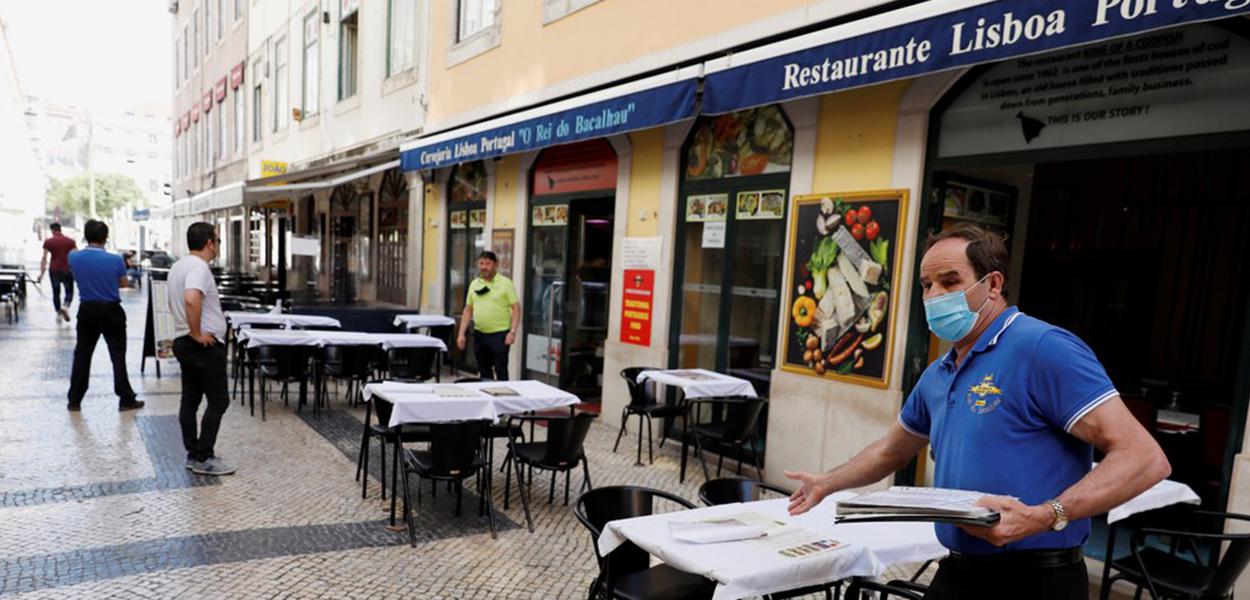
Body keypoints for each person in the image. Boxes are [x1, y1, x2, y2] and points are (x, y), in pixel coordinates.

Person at [784, 224, 1170, 600]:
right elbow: (891, 451)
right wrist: (826, 483)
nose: (934, 295)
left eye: (950, 282)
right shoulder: (939, 372)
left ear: (994, 284)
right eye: (926, 284)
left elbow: (1145, 458)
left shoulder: (1042, 348)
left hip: (1037, 579)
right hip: (958, 570)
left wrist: (1045, 515)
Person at [168, 222, 235, 476]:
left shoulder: (178, 266)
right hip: (200, 344)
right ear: (209, 242)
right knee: (219, 401)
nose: (217, 245)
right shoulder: (199, 267)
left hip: (183, 341)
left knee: (191, 400)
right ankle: (203, 456)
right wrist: (197, 333)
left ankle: (192, 452)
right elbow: (191, 298)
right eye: (217, 241)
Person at [66, 220, 144, 412]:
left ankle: (75, 399)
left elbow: (77, 276)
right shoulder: (115, 260)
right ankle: (125, 398)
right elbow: (124, 283)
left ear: (85, 235)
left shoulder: (74, 257)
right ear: (105, 237)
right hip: (111, 311)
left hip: (87, 309)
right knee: (117, 355)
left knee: (82, 354)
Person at [456, 251, 520, 381]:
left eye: (488, 263)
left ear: (495, 264)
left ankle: (504, 399)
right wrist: (461, 333)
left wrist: (512, 332)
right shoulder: (475, 284)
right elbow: (468, 310)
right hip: (480, 334)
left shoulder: (505, 283)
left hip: (500, 335)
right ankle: (487, 399)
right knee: (483, 371)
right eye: (481, 263)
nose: (484, 267)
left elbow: (516, 308)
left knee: (500, 369)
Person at [37, 222, 77, 322]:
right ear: (60, 229)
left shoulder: (48, 242)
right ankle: (65, 307)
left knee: (56, 292)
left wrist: (41, 274)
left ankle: (59, 313)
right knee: (69, 291)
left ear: (52, 230)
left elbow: (44, 258)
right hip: (67, 270)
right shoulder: (70, 241)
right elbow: (76, 256)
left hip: (54, 270)